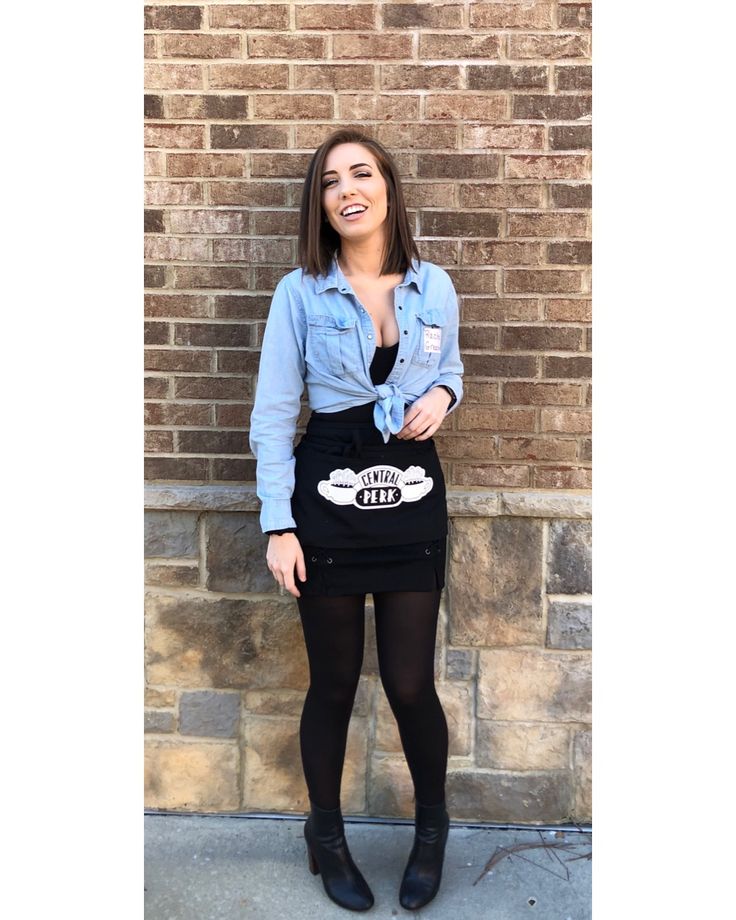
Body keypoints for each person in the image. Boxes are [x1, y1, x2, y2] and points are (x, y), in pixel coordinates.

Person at [249, 129, 464, 912]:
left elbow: (449, 369)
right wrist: (280, 523)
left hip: (411, 492)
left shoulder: (434, 285)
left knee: (410, 682)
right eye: (332, 181)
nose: (348, 190)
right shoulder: (299, 293)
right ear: (321, 203)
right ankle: (327, 836)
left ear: (387, 189)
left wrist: (444, 396)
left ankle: (432, 833)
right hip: (327, 490)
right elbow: (274, 415)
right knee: (334, 683)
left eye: (361, 173)